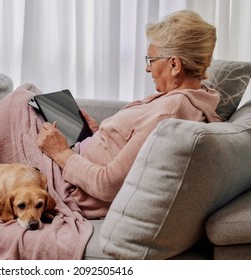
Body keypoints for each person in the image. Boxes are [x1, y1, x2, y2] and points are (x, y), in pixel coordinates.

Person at [36, 10, 221, 218]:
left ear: (174, 65)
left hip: (68, 182)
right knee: (30, 97)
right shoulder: (197, 96)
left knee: (21, 101)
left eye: (151, 60)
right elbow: (131, 143)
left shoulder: (172, 110)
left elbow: (107, 185)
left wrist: (59, 152)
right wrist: (99, 134)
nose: (147, 69)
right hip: (77, 158)